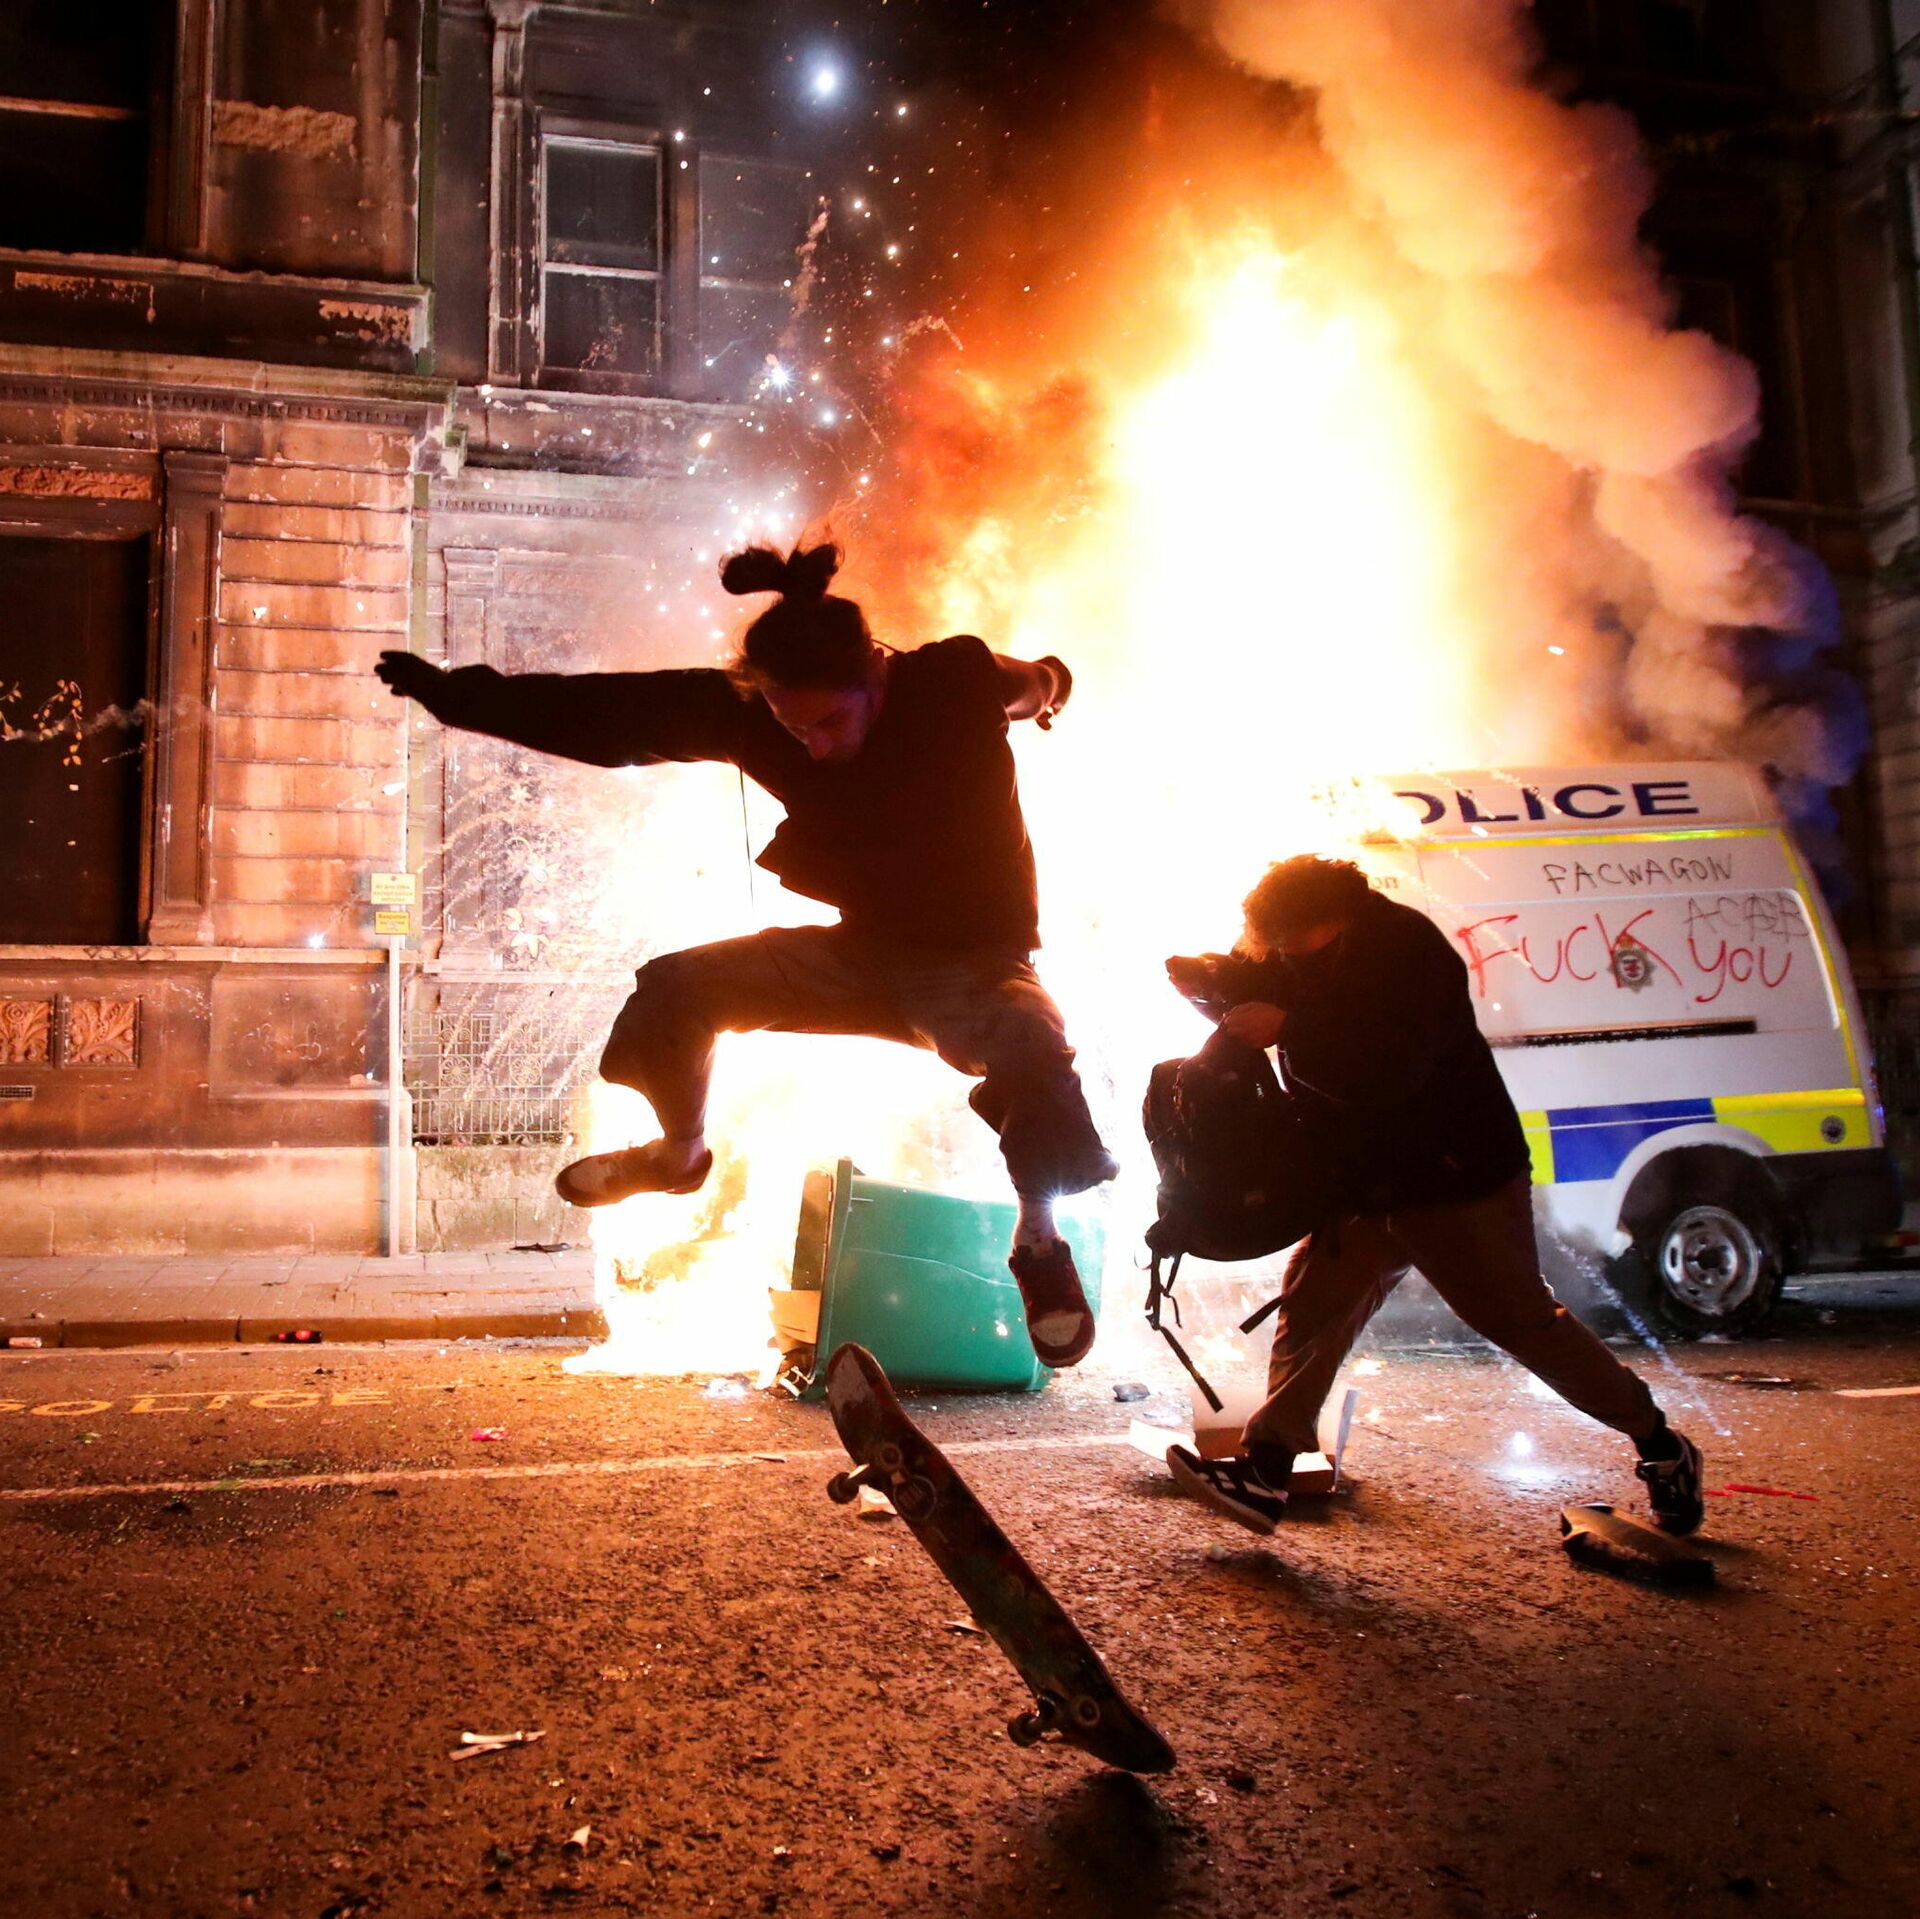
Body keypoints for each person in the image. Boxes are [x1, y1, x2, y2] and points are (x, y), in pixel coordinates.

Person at [375, 540, 1117, 1366]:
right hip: (858, 960)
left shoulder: (952, 679)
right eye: (794, 728)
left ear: (877, 672)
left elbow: (1033, 682)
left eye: (829, 723)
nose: (814, 747)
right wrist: (462, 698)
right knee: (676, 989)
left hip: (973, 966)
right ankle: (678, 1155)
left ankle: (1040, 1242)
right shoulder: (753, 714)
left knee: (1031, 1040)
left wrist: (1053, 686)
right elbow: (615, 716)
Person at [1160, 853, 1705, 1535]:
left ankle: (1661, 1444)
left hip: (1454, 1177)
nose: (1284, 954)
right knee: (1316, 1304)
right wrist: (1210, 977)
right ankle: (1266, 1470)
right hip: (1369, 1179)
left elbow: (1390, 1068)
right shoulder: (1305, 944)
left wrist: (1288, 1030)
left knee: (1521, 1323)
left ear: (1333, 919)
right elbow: (1263, 979)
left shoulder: (1408, 952)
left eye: (1293, 941)